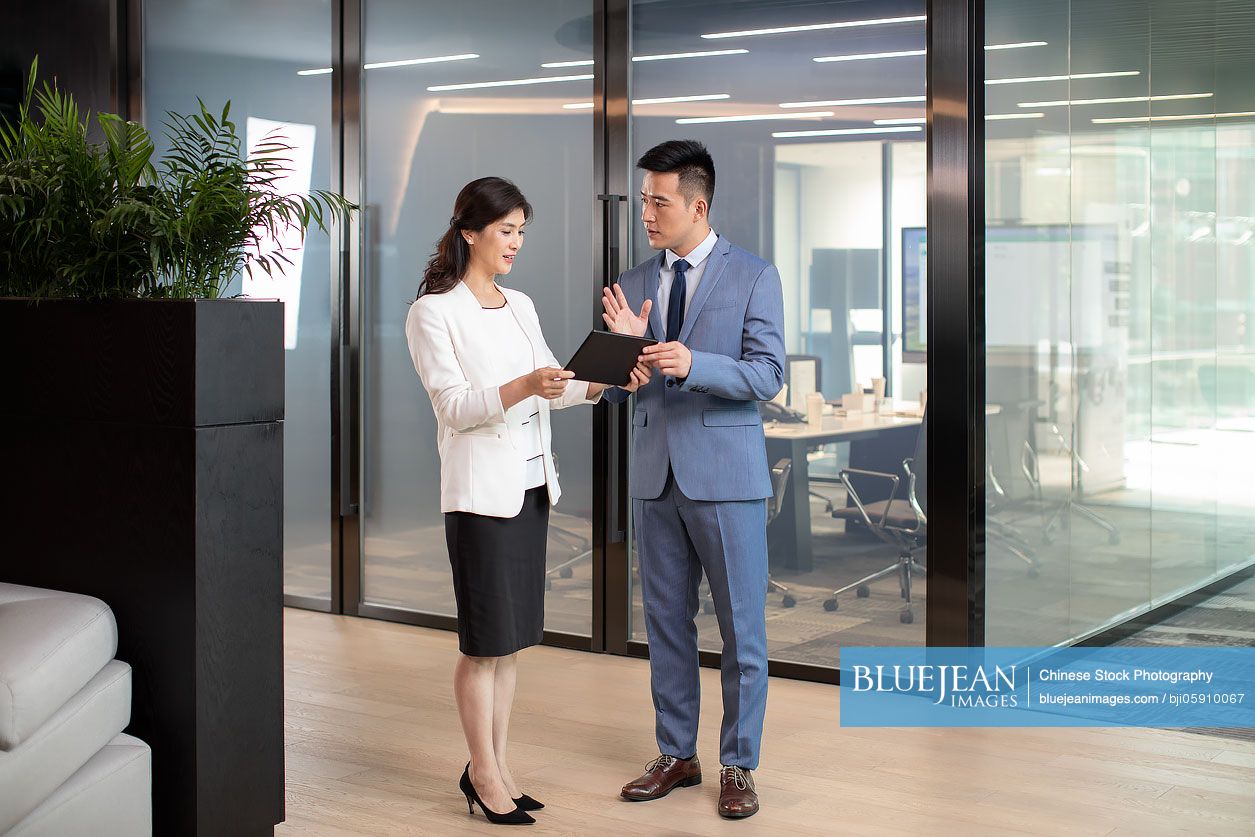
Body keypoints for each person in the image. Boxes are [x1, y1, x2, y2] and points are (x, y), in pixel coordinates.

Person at [405, 176, 649, 826]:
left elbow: (556, 384)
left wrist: (610, 372)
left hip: (532, 486)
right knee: (482, 642)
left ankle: (497, 765)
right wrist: (520, 385)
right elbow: (454, 407)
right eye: (505, 230)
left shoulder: (519, 303)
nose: (514, 242)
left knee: (509, 644)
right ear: (468, 232)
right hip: (480, 495)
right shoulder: (434, 310)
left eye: (520, 231)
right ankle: (481, 773)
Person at [601, 140, 785, 820]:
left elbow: (767, 375)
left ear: (697, 205)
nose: (646, 212)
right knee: (666, 625)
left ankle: (738, 764)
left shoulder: (754, 276)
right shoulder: (633, 280)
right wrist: (622, 363)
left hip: (726, 477)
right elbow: (617, 389)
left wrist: (692, 362)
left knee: (742, 630)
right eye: (643, 198)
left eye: (659, 201)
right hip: (655, 477)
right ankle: (676, 753)